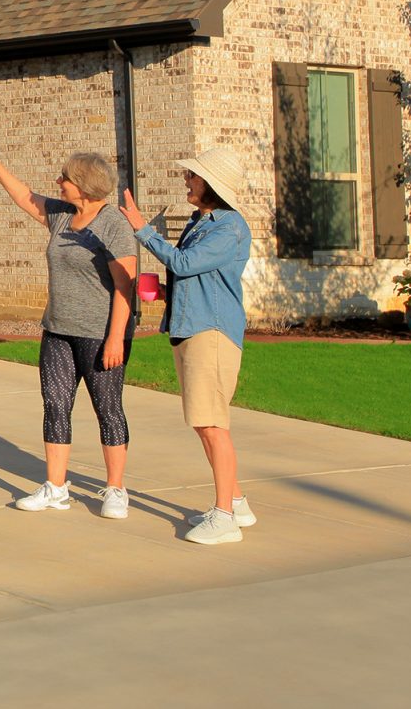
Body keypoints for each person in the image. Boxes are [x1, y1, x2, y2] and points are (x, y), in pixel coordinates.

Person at [0, 125, 138, 519]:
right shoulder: (62, 216)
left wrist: (116, 338)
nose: (58, 183)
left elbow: (126, 287)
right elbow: (24, 196)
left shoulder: (114, 226)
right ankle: (55, 488)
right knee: (55, 404)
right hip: (58, 330)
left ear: (83, 186)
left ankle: (116, 490)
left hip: (100, 334)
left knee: (108, 408)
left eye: (64, 178)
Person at [119, 149, 253, 545]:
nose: (187, 183)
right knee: (205, 421)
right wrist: (164, 291)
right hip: (191, 327)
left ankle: (225, 517)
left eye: (193, 177)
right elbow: (193, 274)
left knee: (213, 424)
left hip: (210, 334)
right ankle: (237, 502)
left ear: (210, 185)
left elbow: (184, 263)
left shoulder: (228, 228)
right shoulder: (203, 222)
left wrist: (143, 229)